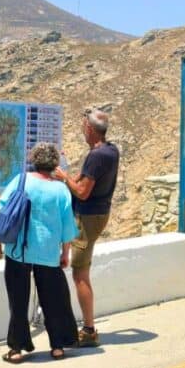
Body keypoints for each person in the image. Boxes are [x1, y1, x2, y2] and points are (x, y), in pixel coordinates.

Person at [0, 142, 78, 363]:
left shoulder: (20, 181)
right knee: (54, 300)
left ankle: (16, 349)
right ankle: (57, 346)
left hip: (18, 250)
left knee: (18, 300)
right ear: (54, 164)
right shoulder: (60, 189)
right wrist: (65, 253)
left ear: (33, 160)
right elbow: (67, 225)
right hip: (48, 252)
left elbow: (3, 210)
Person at [53, 107, 120, 347]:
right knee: (82, 270)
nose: (82, 131)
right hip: (99, 213)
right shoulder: (111, 150)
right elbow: (85, 181)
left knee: (80, 274)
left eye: (83, 127)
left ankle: (89, 331)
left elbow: (82, 191)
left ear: (90, 129)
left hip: (88, 217)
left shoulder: (96, 156)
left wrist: (63, 177)